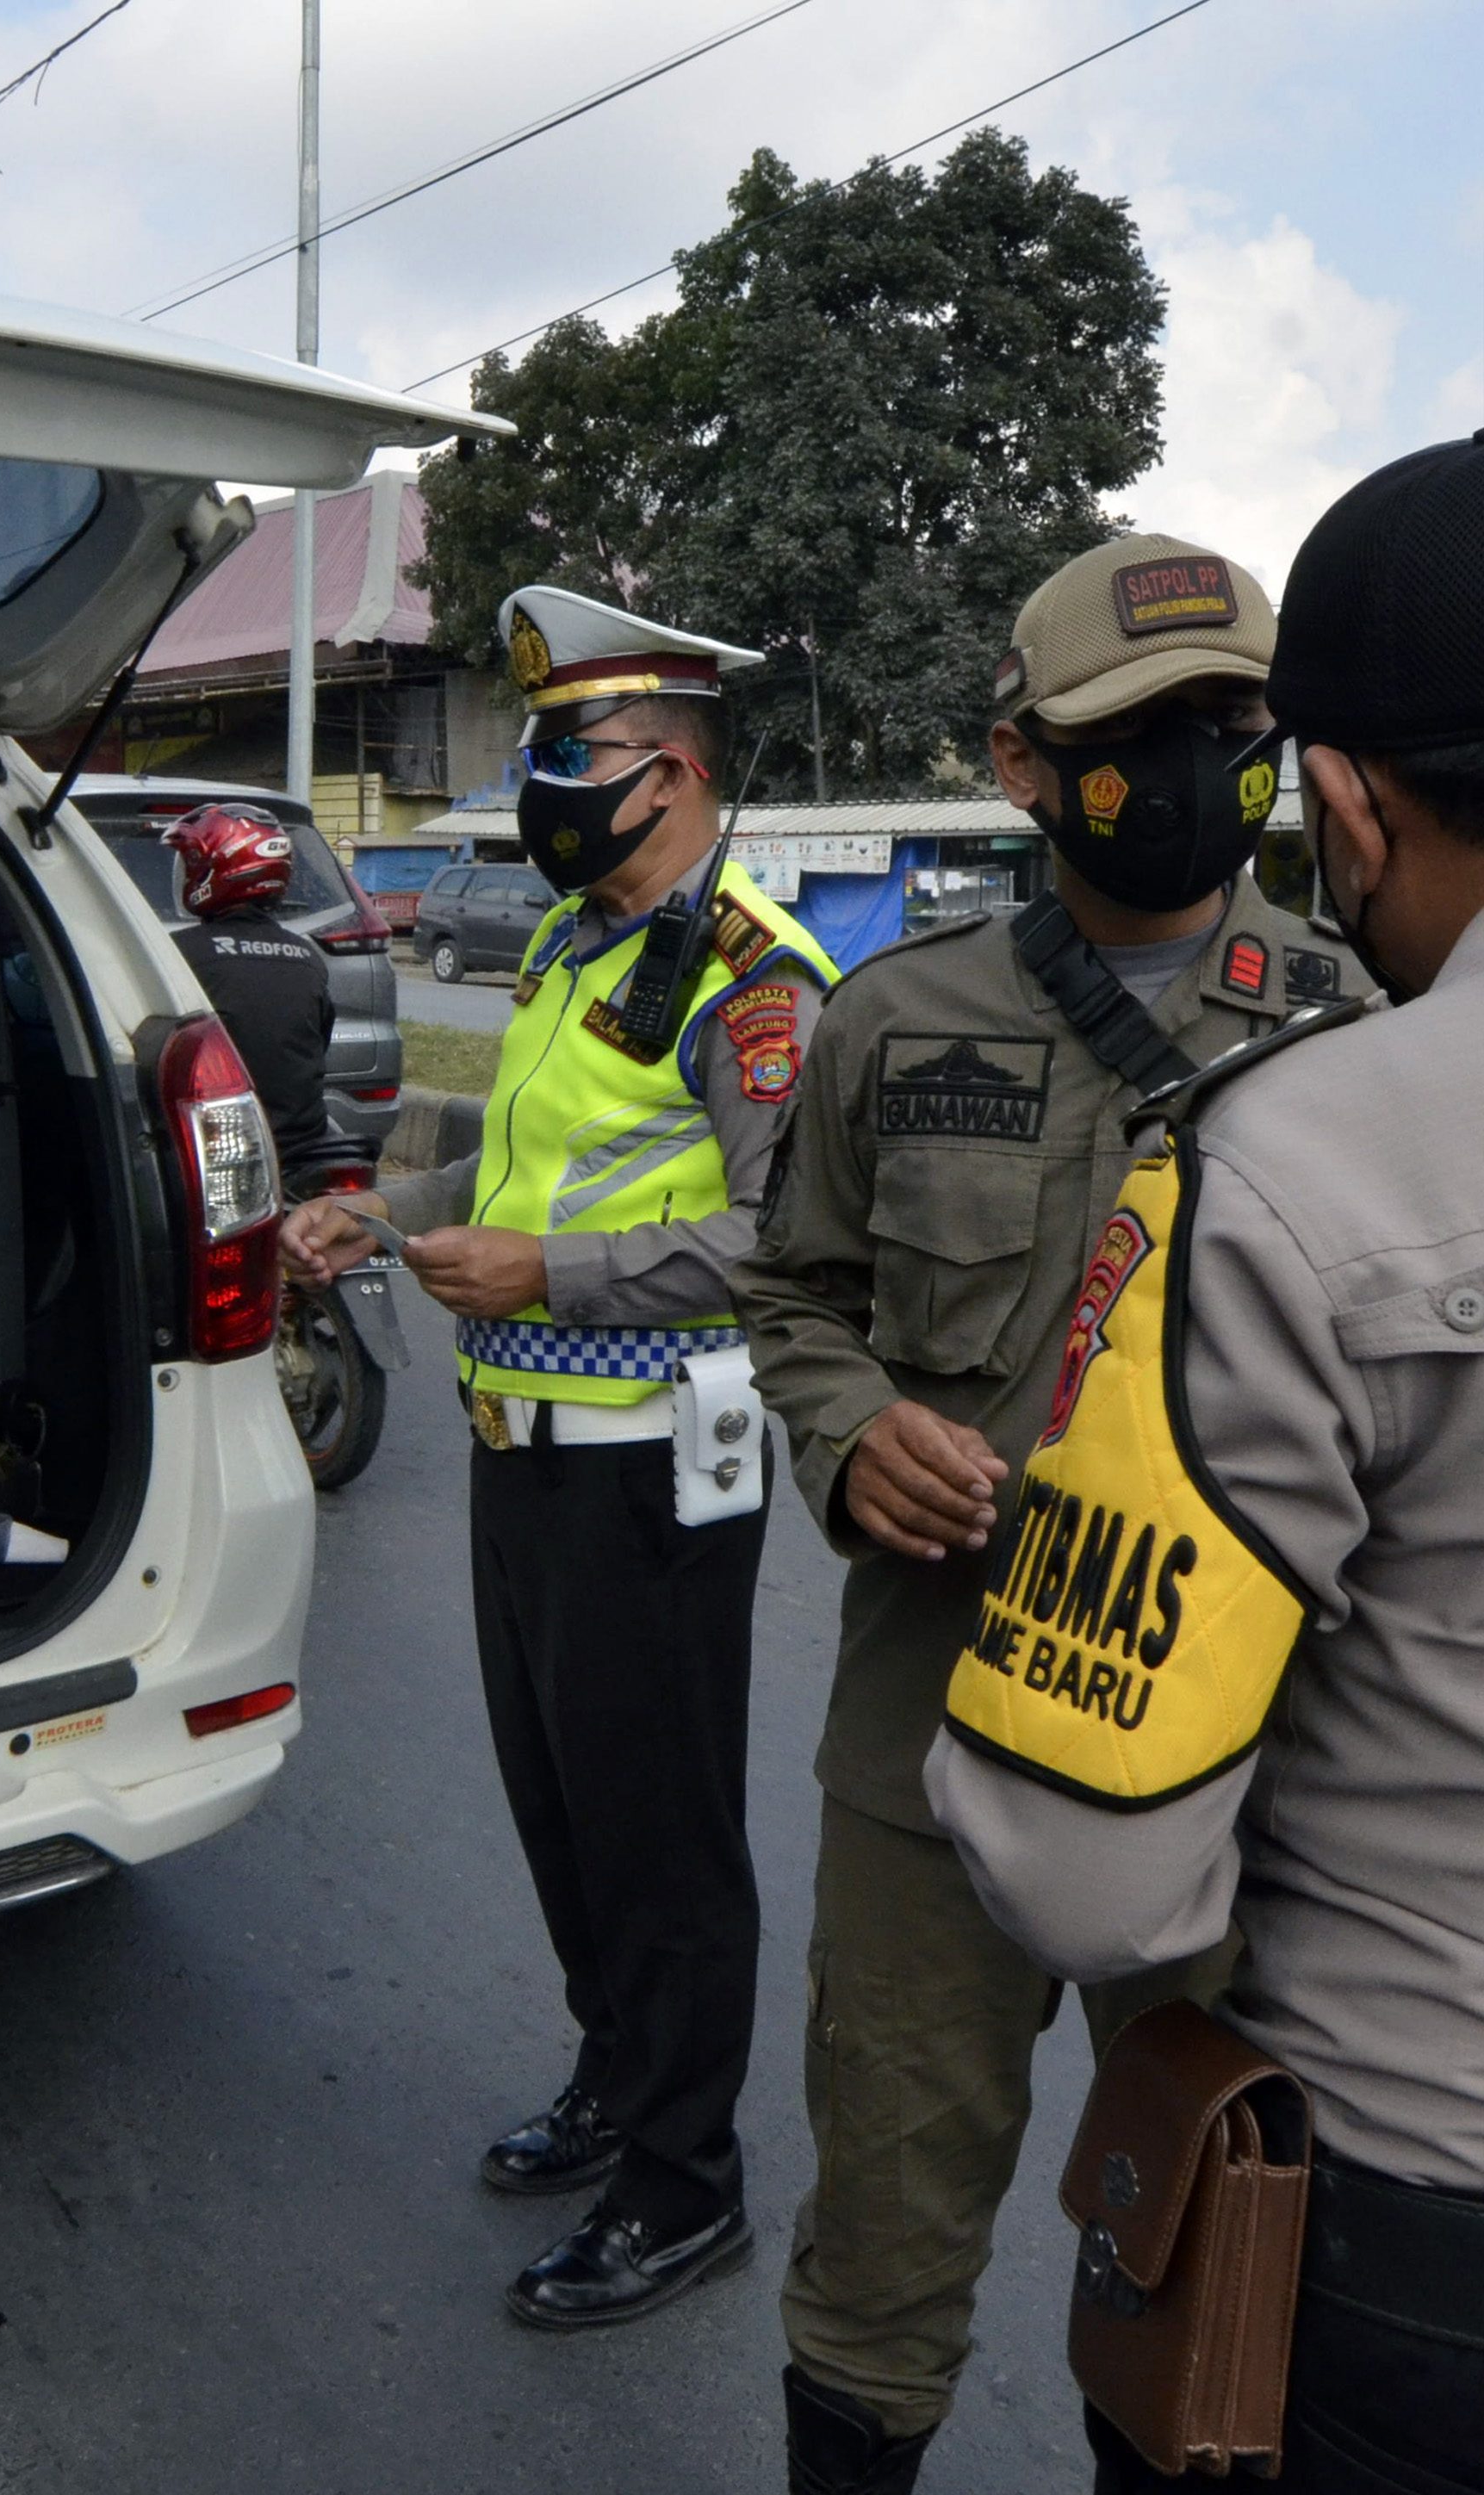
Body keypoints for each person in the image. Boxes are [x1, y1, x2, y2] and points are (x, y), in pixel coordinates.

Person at [732, 532, 1360, 2490]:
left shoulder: (1367, 1028)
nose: (1187, 767)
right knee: (884, 2240)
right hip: (932, 1744)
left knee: (1199, 2248)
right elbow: (791, 1290)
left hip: (1246, 1778)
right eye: (1132, 732)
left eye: (1226, 725)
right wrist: (848, 1433)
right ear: (1018, 760)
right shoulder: (892, 1023)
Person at [928, 440, 1484, 2492]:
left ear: (1332, 798)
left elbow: (1085, 1862)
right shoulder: (900, 1013)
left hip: (1409, 2224)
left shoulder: (1297, 1156)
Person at [283, 585, 835, 2327]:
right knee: (561, 1804)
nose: (534, 779)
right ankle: (615, 2080)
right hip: (516, 1448)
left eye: (560, 750)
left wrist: (549, 1272)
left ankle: (684, 2182)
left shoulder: (755, 985)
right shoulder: (573, 944)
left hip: (650, 1466)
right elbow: (518, 1183)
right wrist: (382, 1212)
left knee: (661, 1834)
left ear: (667, 772)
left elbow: (785, 1243)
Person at [163, 799, 345, 1187]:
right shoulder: (307, 957)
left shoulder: (179, 955)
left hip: (222, 1153)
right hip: (305, 1148)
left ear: (215, 869)